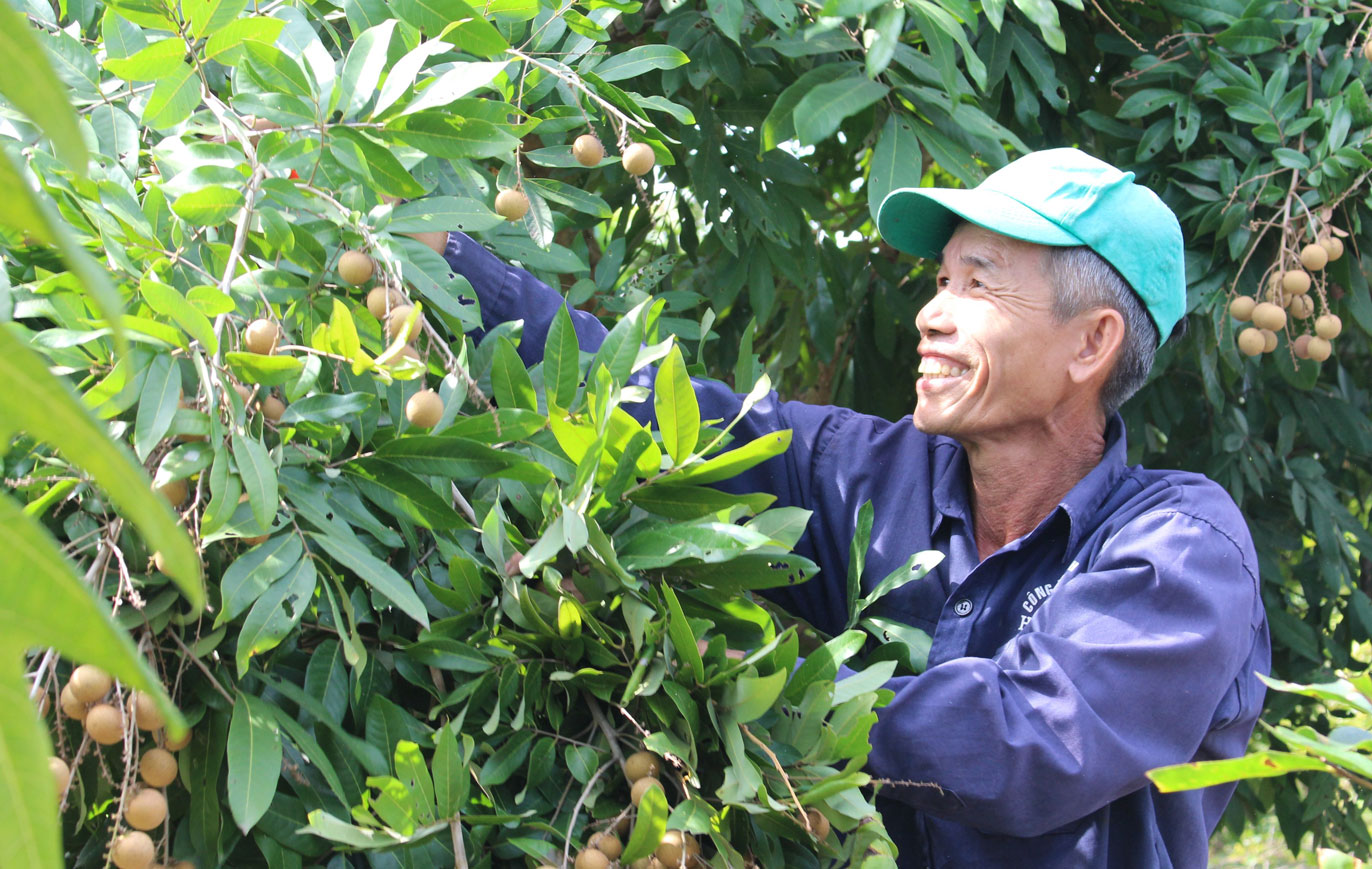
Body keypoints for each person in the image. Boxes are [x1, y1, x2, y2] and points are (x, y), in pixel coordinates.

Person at [438, 148, 1270, 868]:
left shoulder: (1182, 551)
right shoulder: (871, 472)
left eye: (978, 286)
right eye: (941, 280)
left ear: (1091, 343)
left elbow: (1029, 741)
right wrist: (446, 264)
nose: (931, 314)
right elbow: (662, 410)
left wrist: (752, 673)